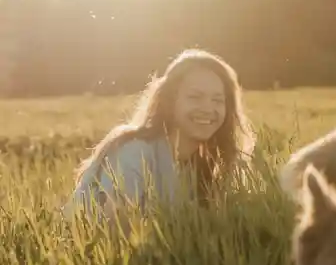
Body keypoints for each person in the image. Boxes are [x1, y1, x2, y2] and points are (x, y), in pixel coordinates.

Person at [63, 48, 255, 226]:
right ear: (170, 101)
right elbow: (114, 229)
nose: (208, 109)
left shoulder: (204, 165)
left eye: (217, 100)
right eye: (195, 97)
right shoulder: (135, 152)